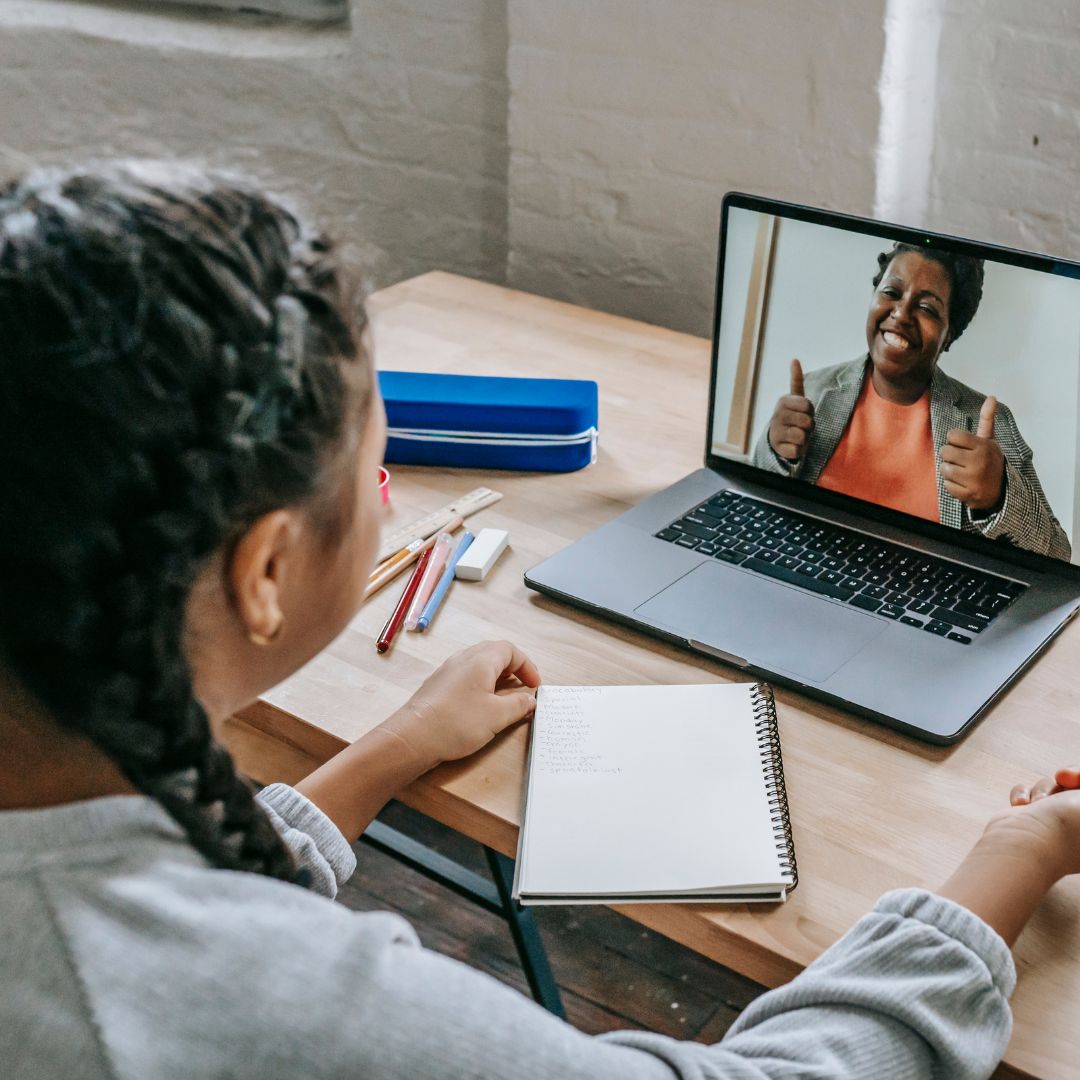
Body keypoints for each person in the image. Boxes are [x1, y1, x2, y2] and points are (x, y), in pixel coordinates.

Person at [1, 163, 1078, 1080]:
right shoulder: (287, 1005)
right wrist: (1024, 848)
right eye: (375, 466)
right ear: (266, 572)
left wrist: (393, 747)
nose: (389, 501)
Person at [751, 242, 1071, 560]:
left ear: (949, 336)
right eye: (891, 292)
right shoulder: (813, 392)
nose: (901, 314)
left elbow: (1057, 554)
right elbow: (760, 510)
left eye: (927, 308)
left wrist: (998, 496)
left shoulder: (988, 422)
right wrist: (774, 452)